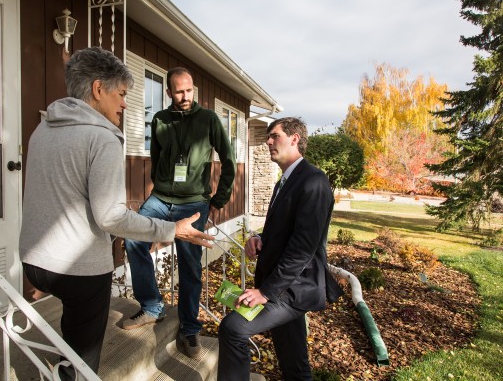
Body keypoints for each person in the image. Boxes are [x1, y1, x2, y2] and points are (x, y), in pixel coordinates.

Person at [19, 48, 214, 380]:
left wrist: (42, 274)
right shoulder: (102, 138)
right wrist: (172, 230)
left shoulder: (43, 129)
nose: (124, 104)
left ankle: (62, 365)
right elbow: (111, 217)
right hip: (78, 271)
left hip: (35, 263)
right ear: (98, 90)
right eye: (121, 94)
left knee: (71, 332)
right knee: (83, 362)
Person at [217, 117, 343, 381]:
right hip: (280, 285)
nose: (269, 142)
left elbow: (303, 249)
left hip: (294, 288)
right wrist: (259, 237)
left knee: (233, 328)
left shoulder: (313, 181)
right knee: (294, 363)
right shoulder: (284, 180)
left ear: (294, 138)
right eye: (268, 137)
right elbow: (288, 230)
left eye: (275, 136)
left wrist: (265, 292)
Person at [122, 67, 236, 357]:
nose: (185, 97)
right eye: (179, 91)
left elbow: (229, 160)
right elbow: (157, 157)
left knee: (189, 265)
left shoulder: (209, 119)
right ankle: (151, 306)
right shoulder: (160, 120)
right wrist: (159, 187)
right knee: (133, 239)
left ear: (193, 89)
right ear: (169, 92)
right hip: (160, 198)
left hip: (194, 201)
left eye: (189, 90)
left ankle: (189, 329)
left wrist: (218, 200)